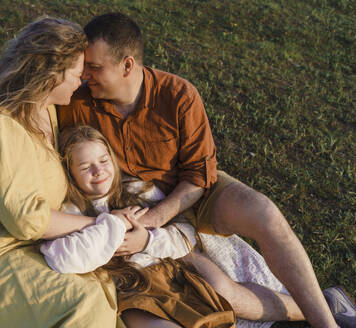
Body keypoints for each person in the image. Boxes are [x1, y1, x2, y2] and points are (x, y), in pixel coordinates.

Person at [58, 12, 355, 328]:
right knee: (223, 292)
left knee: (264, 213)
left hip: (189, 194)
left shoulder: (178, 95)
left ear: (127, 65)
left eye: (95, 68)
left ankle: (327, 322)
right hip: (129, 202)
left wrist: (156, 219)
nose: (85, 75)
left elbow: (199, 176)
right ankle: (328, 303)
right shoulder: (76, 102)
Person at [0, 17, 123, 328]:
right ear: (50, 75)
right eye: (76, 74)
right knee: (84, 302)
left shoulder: (47, 110)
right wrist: (102, 225)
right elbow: (27, 219)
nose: (81, 81)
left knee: (103, 288)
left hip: (40, 248)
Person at [40, 125, 306, 327]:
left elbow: (185, 231)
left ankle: (316, 308)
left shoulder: (136, 189)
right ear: (70, 173)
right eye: (86, 167)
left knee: (227, 293)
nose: (99, 171)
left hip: (171, 265)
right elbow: (64, 258)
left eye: (103, 161)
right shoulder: (71, 210)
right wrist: (113, 223)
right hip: (130, 286)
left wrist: (146, 241)